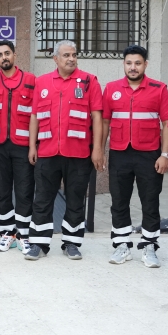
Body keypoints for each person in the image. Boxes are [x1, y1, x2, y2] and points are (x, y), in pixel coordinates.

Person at [26, 40, 104, 261]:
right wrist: (32, 145)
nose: (71, 58)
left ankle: (72, 242)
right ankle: (39, 244)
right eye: (66, 55)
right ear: (56, 59)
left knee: (75, 199)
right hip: (48, 153)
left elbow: (97, 117)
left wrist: (97, 149)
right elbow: (34, 117)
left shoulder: (89, 82)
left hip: (78, 154)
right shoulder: (42, 83)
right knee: (42, 199)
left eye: (74, 54)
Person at [102, 45, 168, 268]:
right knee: (119, 201)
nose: (133, 68)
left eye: (138, 63)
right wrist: (100, 150)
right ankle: (121, 245)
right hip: (119, 153)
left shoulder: (159, 89)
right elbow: (104, 122)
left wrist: (165, 154)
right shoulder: (112, 88)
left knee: (150, 201)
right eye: (129, 63)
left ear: (145, 64)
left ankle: (149, 246)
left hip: (149, 155)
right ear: (123, 64)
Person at [0, 40, 36, 253]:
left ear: (14, 55)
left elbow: (35, 116)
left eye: (7, 53)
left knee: (24, 191)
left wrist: (33, 146)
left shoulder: (31, 80)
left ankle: (23, 234)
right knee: (2, 192)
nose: (4, 57)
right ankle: (7, 234)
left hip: (23, 146)